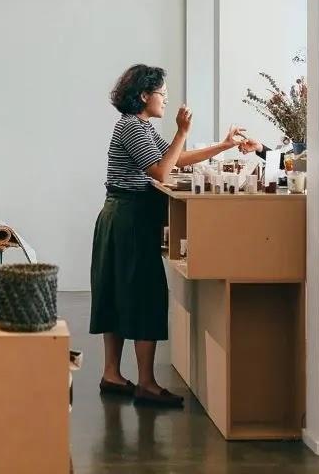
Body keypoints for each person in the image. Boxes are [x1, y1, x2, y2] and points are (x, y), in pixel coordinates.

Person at [91, 64, 244, 407]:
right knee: (144, 293)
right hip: (128, 217)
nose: (166, 99)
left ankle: (113, 374)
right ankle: (145, 383)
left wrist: (222, 145)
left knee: (116, 291)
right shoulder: (132, 128)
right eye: (162, 93)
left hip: (124, 216)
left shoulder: (141, 127)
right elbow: (162, 171)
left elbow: (176, 160)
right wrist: (182, 131)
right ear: (144, 95)